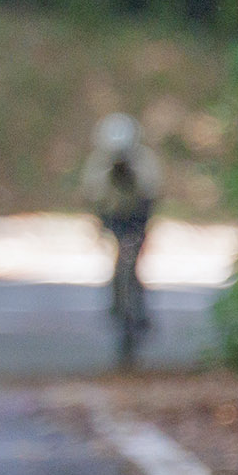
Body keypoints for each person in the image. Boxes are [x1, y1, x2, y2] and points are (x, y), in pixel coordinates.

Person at [80, 113, 160, 335]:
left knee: (132, 262)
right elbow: (94, 196)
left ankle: (138, 308)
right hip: (113, 217)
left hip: (137, 217)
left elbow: (151, 193)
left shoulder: (144, 160)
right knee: (119, 262)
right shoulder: (99, 163)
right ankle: (118, 304)